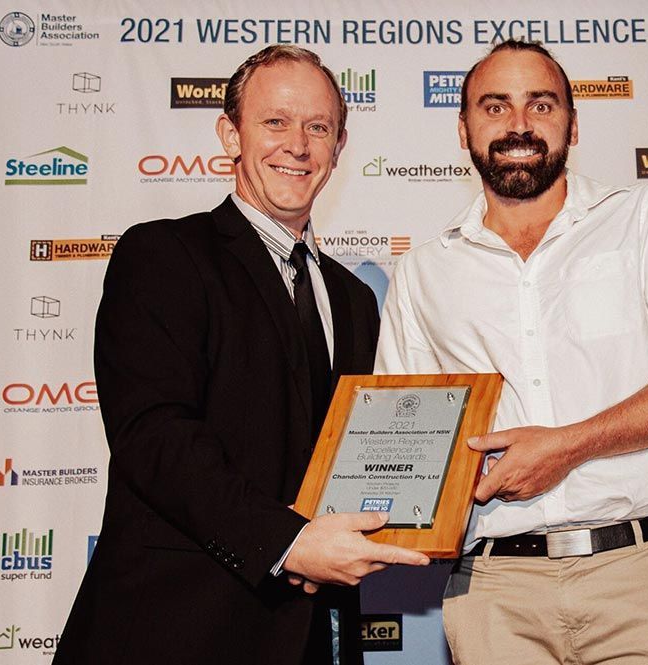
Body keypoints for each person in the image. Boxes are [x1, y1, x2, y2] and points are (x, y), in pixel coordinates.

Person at [375, 40, 648, 664]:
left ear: (572, 124)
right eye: (494, 107)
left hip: (647, 578)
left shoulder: (644, 218)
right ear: (464, 127)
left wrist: (567, 444)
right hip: (495, 592)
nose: (518, 125)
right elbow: (406, 438)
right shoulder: (421, 272)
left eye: (540, 105)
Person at [55, 45, 429, 665]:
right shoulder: (164, 255)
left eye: (318, 127)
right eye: (275, 122)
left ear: (338, 148)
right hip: (172, 629)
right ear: (230, 134)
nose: (298, 144)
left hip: (308, 635)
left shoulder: (355, 297)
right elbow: (155, 437)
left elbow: (359, 450)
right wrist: (288, 542)